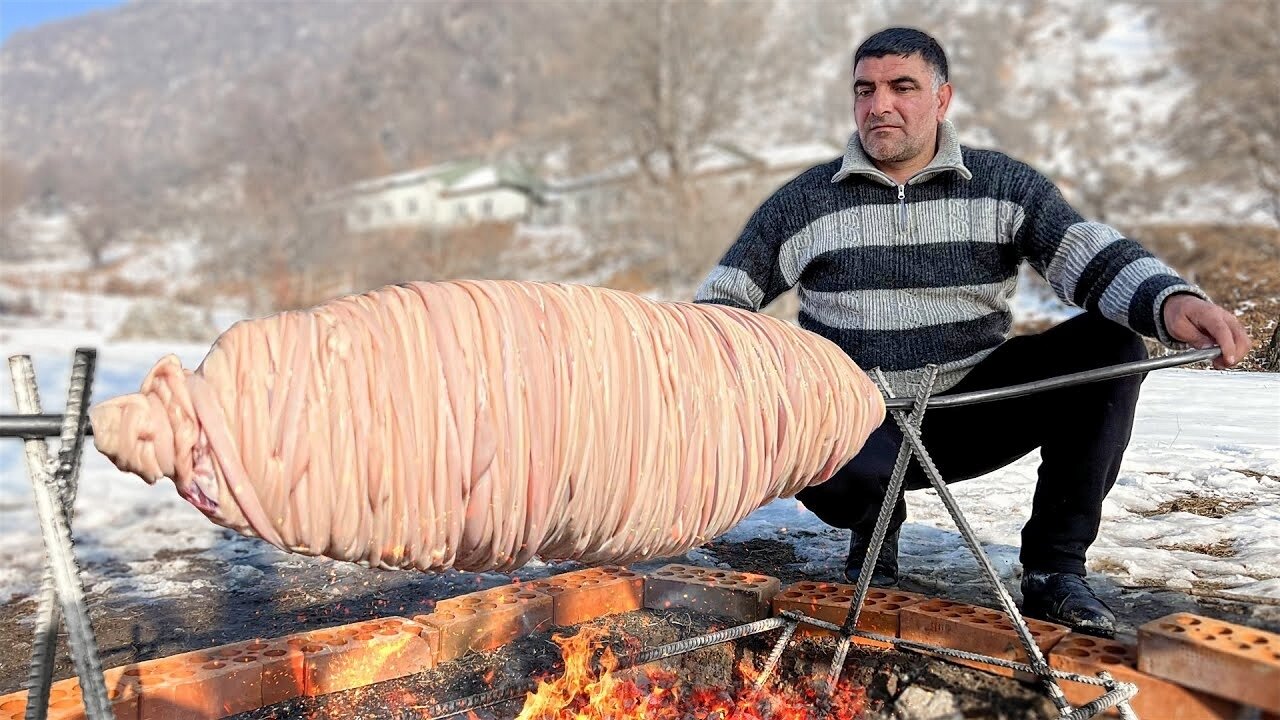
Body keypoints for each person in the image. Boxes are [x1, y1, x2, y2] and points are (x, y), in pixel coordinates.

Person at [693, 27, 1251, 637]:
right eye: (865, 89)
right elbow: (723, 305)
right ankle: (874, 530)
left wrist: (1169, 302)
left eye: (902, 87)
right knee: (832, 444)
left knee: (1109, 344)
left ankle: (1053, 570)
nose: (879, 104)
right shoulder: (802, 203)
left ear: (942, 98)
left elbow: (1085, 254)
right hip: (857, 421)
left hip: (971, 408)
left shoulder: (1001, 186)